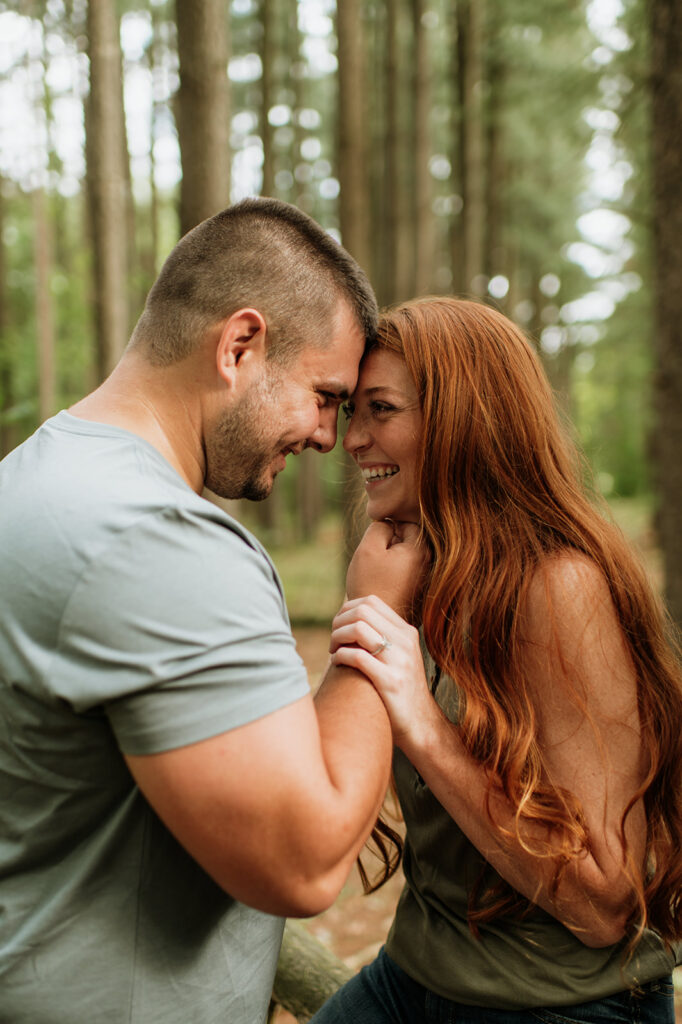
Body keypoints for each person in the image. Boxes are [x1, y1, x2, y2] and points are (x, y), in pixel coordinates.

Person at [0, 198, 426, 1024]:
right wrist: (373, 613)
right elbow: (301, 864)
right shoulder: (157, 542)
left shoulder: (29, 479)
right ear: (239, 346)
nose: (329, 437)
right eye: (324, 395)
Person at [311, 296, 682, 1024]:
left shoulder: (560, 588)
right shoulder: (414, 566)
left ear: (461, 422)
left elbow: (606, 903)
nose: (352, 439)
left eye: (381, 410)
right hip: (413, 975)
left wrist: (420, 718)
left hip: (555, 1003)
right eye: (354, 410)